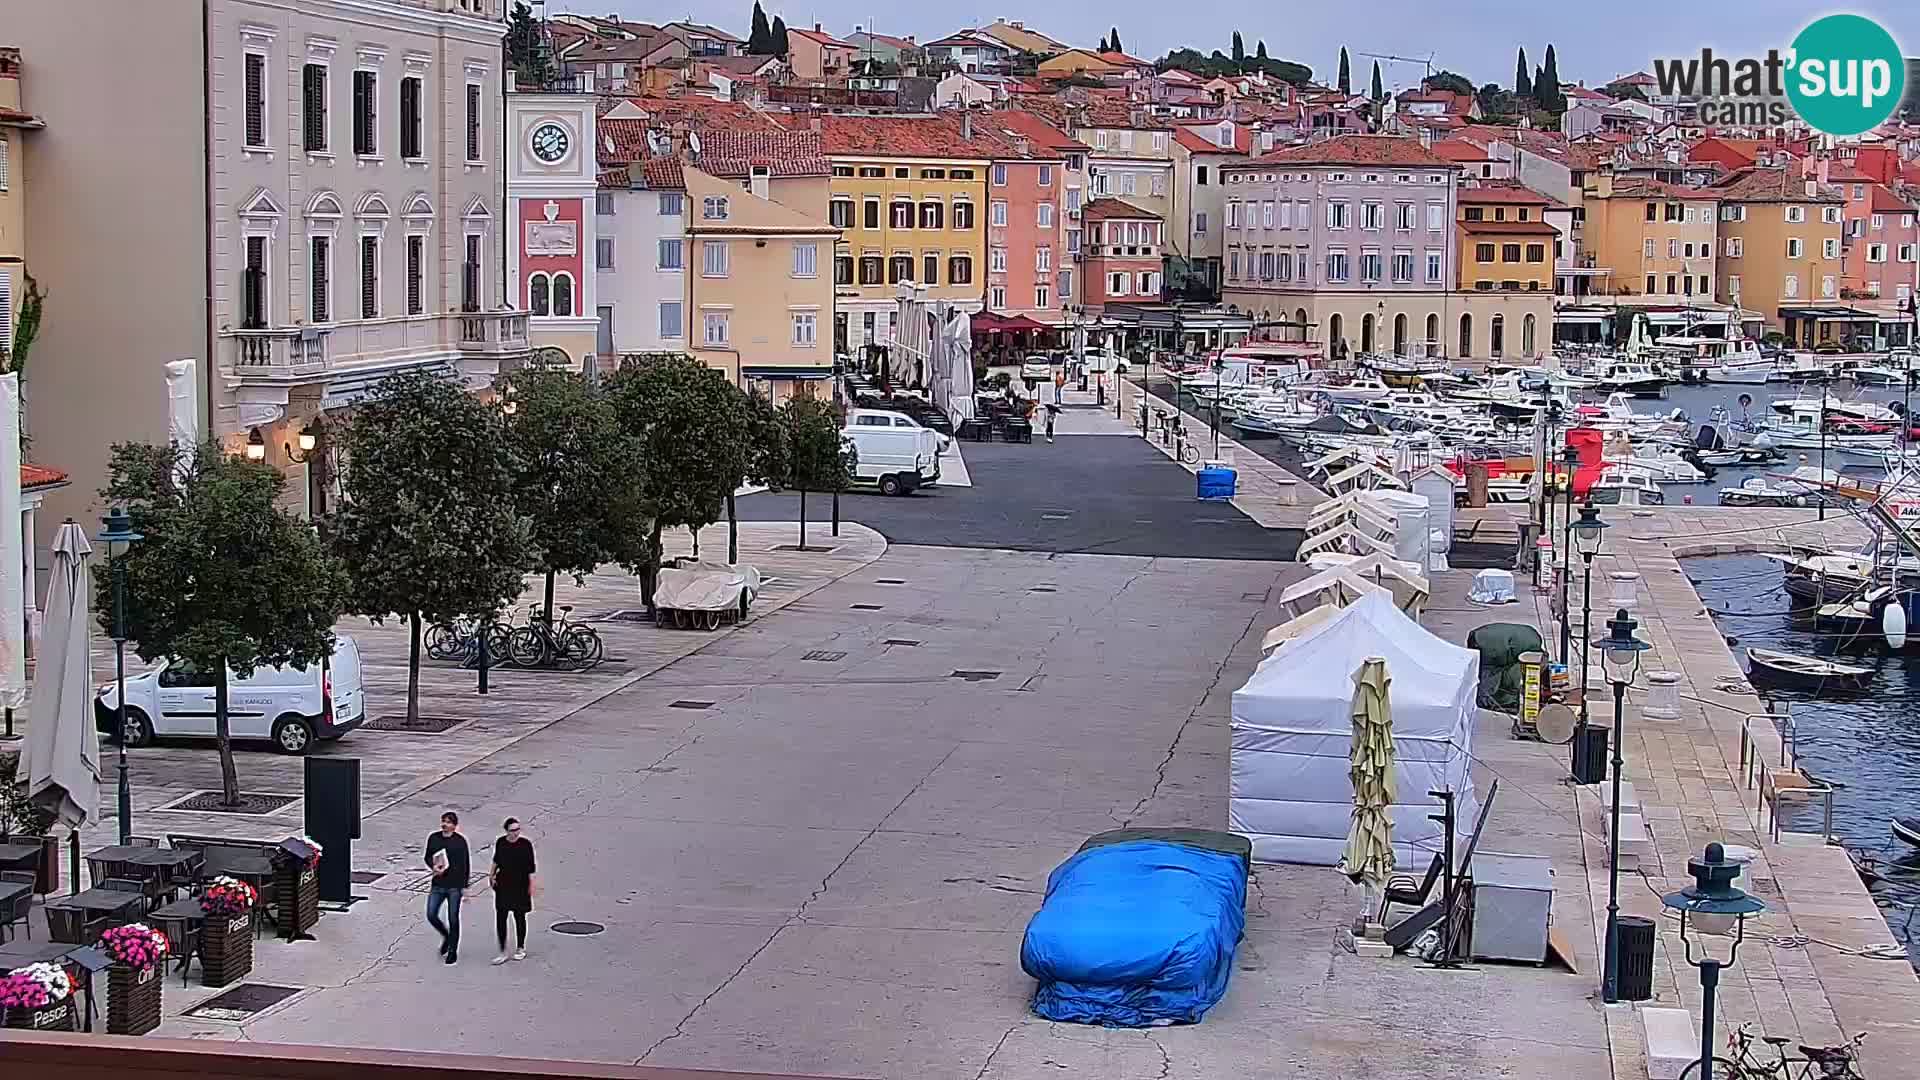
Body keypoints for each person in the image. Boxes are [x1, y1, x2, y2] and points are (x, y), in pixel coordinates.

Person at [423, 811, 470, 964]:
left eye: (449, 822)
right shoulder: (434, 838)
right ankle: (446, 936)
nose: (445, 824)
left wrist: (465, 887)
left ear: (454, 826)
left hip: (454, 886)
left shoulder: (460, 842)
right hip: (438, 883)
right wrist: (433, 866)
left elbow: (465, 865)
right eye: (443, 821)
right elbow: (427, 856)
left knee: (453, 918)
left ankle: (452, 950)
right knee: (431, 914)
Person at [489, 818, 538, 964]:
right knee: (501, 917)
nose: (516, 833)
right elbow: (496, 860)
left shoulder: (525, 844)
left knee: (519, 916)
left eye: (518, 829)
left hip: (520, 884)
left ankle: (520, 947)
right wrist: (491, 875)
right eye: (513, 830)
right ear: (506, 831)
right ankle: (502, 950)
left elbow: (531, 867)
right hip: (503, 883)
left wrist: (532, 884)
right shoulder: (501, 842)